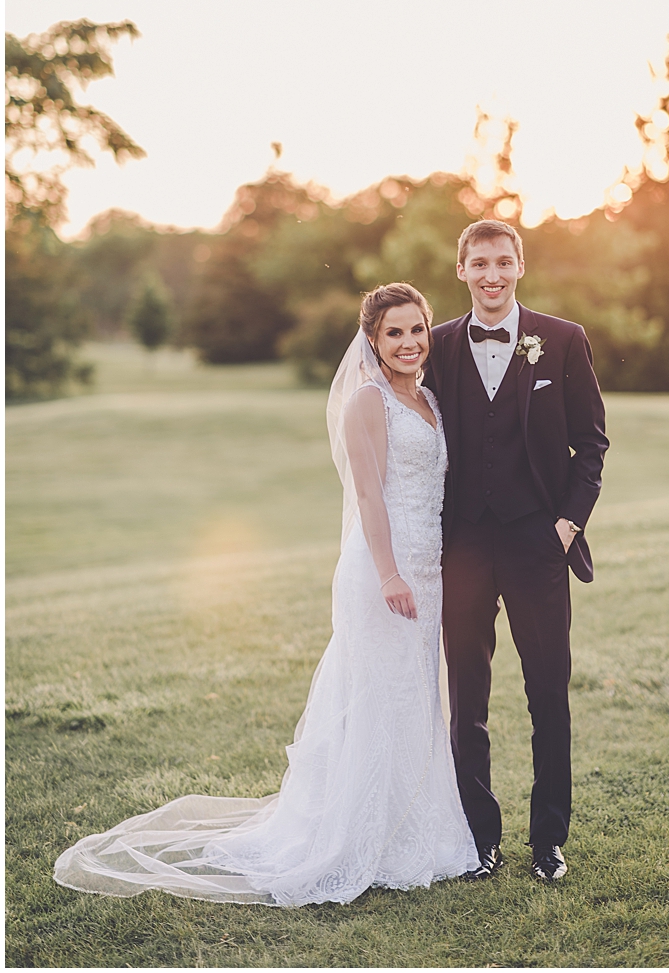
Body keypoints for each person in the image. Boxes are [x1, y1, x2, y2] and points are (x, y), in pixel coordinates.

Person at [54, 283, 480, 905]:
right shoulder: (368, 401)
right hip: (386, 570)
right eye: (394, 332)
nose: (410, 342)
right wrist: (390, 574)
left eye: (418, 329)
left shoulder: (429, 400)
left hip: (429, 567)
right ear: (373, 339)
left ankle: (413, 831)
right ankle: (355, 838)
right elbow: (369, 497)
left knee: (414, 694)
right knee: (376, 695)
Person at [422, 219, 608, 883]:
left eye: (503, 261)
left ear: (519, 266)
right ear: (462, 269)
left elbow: (591, 444)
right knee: (467, 696)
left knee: (547, 692)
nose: (492, 274)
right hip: (464, 544)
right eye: (480, 263)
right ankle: (479, 840)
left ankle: (548, 840)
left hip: (538, 542)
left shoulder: (561, 340)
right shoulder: (436, 346)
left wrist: (565, 526)